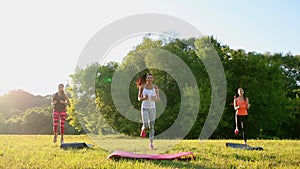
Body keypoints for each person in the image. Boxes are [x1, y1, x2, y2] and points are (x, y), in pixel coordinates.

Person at [136, 73, 160, 150]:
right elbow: (139, 98)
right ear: (146, 79)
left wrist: (154, 98)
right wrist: (144, 98)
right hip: (144, 108)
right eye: (148, 78)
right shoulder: (142, 87)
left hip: (153, 108)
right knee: (146, 125)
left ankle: (151, 143)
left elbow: (158, 99)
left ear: (153, 79)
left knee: (151, 126)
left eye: (150, 78)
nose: (149, 79)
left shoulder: (155, 87)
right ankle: (143, 129)